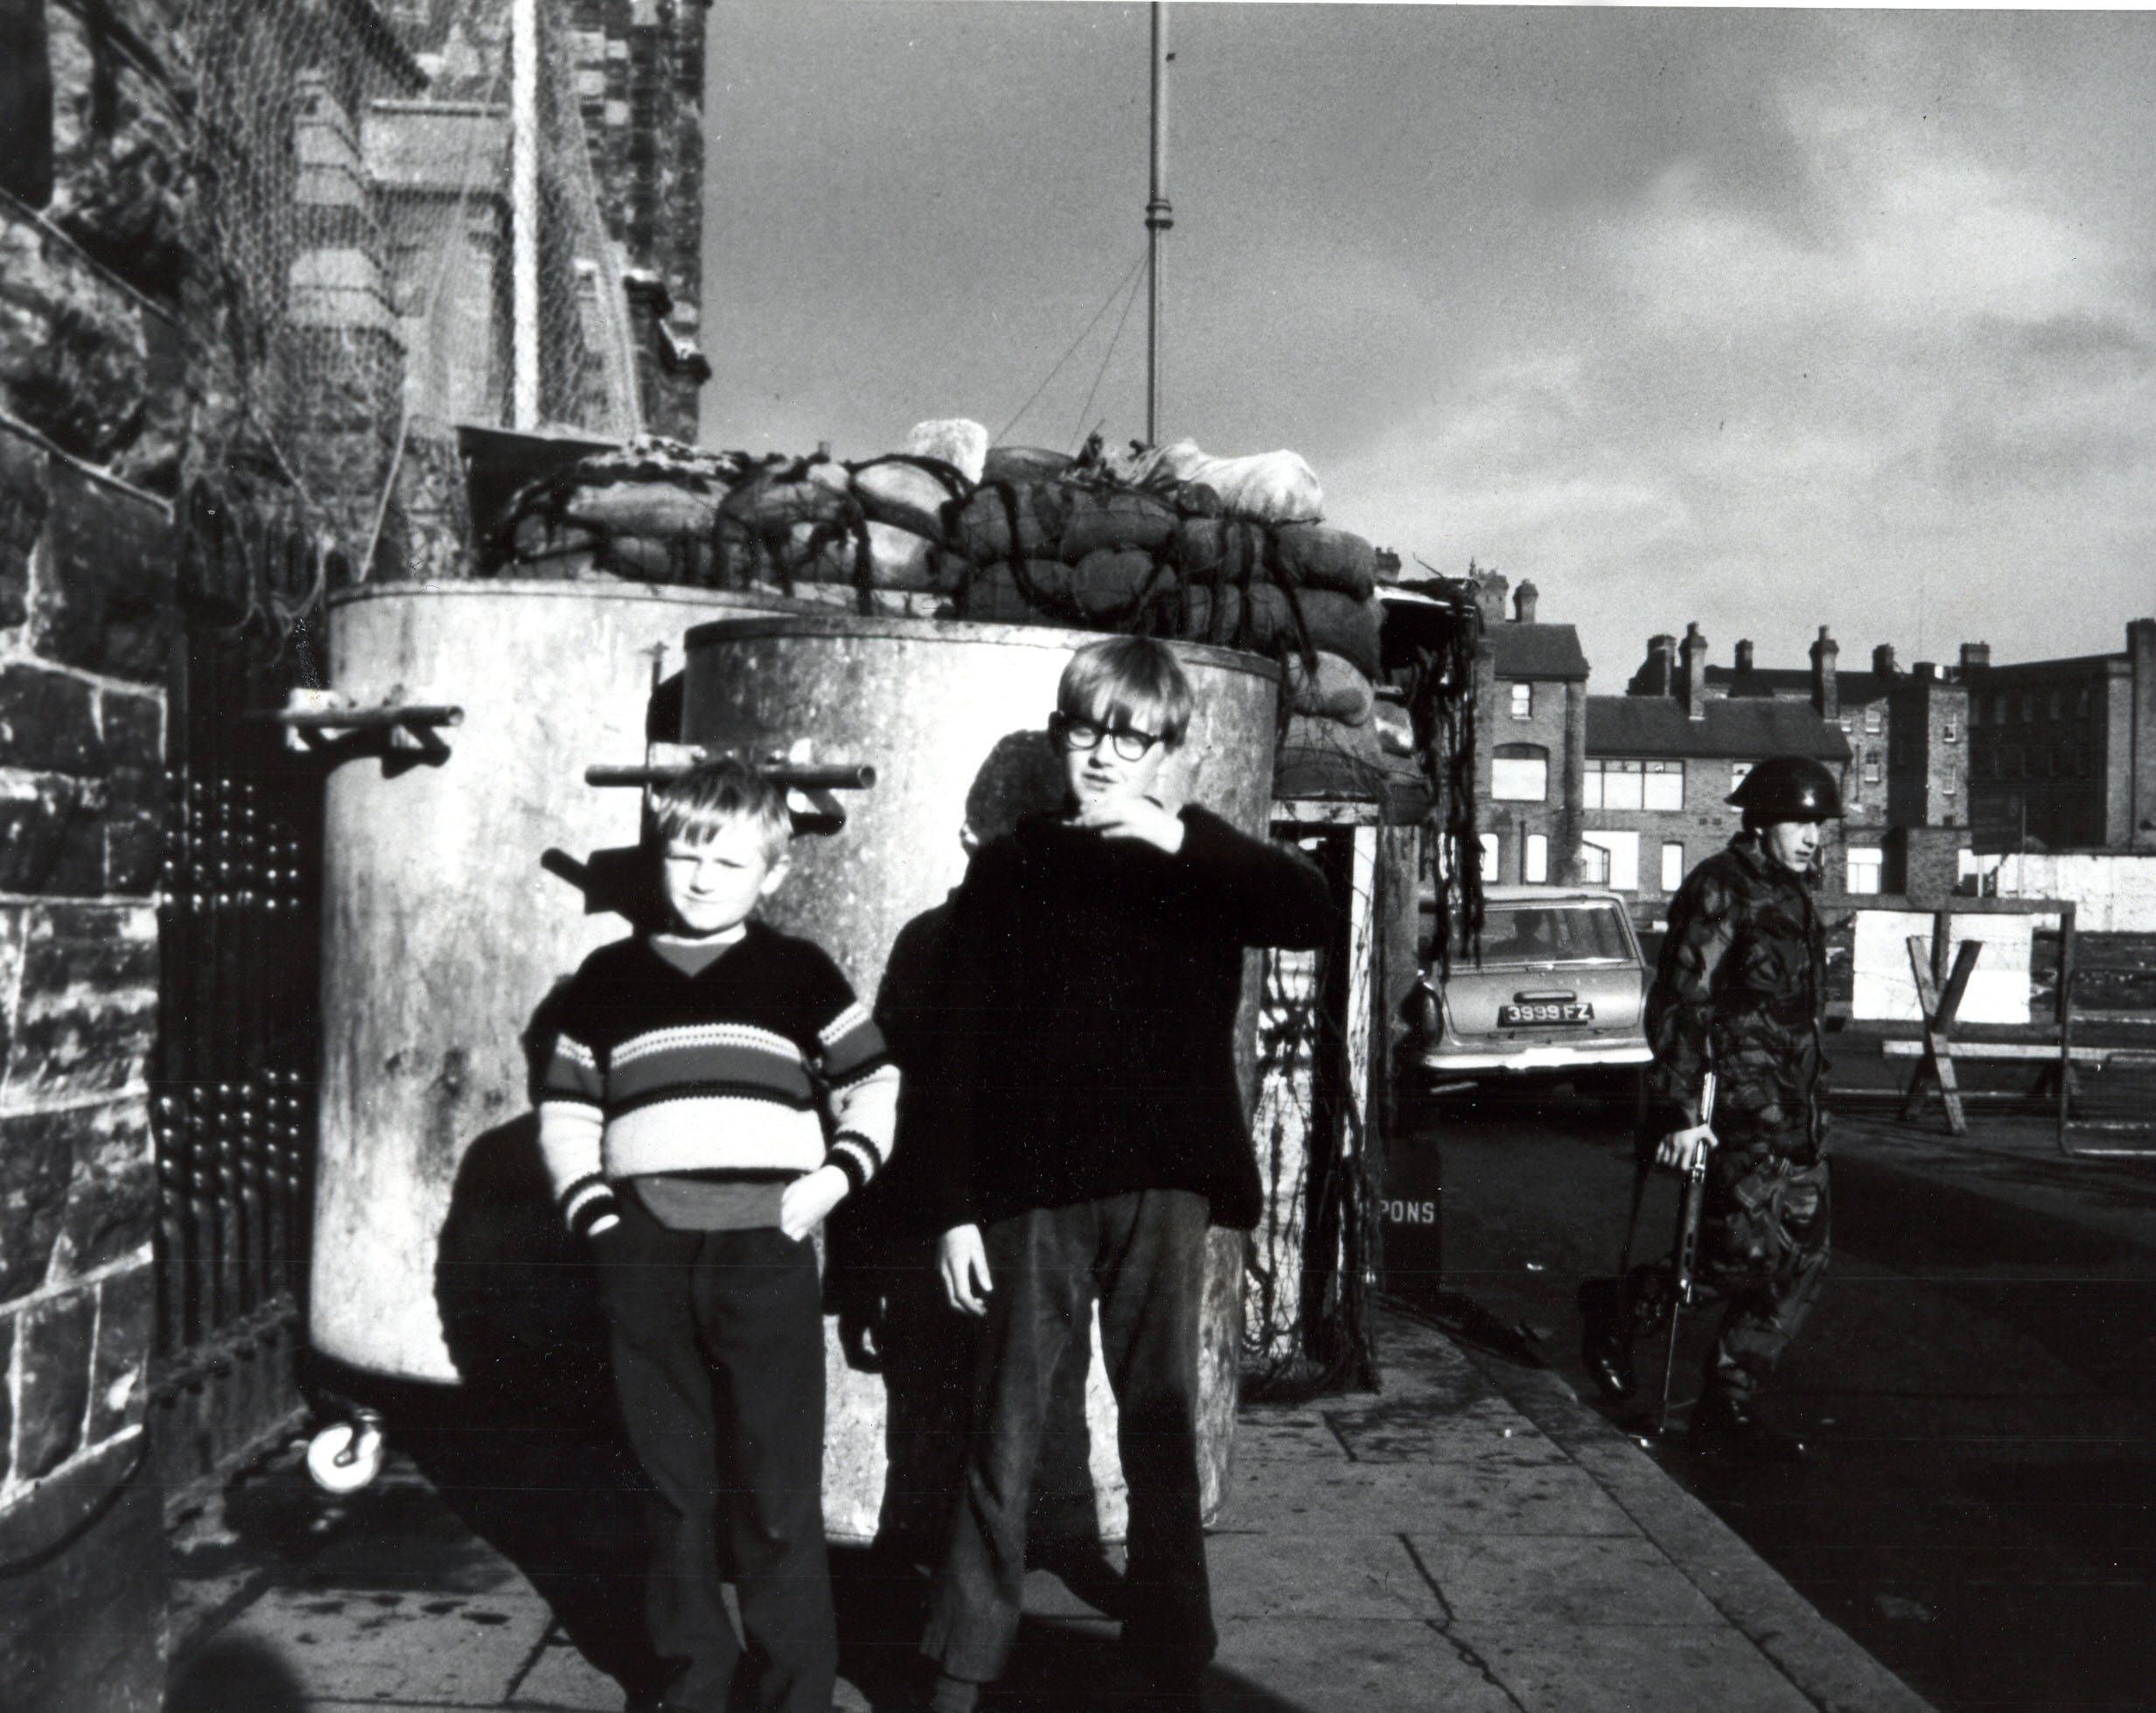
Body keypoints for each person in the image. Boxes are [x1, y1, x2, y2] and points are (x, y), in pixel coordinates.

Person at [914, 636, 1331, 1713]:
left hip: (1163, 1188)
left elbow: (1312, 909)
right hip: (1032, 1195)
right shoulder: (1011, 866)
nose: (1100, 753)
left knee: (1159, 1425)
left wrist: (1178, 833)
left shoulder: (1200, 867)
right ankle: (960, 1665)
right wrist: (954, 1210)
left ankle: (1172, 1648)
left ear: (1169, 747)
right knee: (1001, 1434)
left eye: (1129, 734)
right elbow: (954, 1046)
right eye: (1082, 728)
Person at [536, 757, 899, 1713]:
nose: (698, 876)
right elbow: (567, 1109)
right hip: (646, 1253)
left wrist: (828, 1180)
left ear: (771, 873)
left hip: (762, 1254)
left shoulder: (797, 972)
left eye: (727, 861)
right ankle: (690, 1678)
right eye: (682, 852)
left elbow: (875, 1081)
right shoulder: (606, 980)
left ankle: (793, 1691)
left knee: (778, 1496)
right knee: (671, 1486)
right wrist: (601, 1218)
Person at [1580, 753, 1839, 1463]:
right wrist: (1678, 1113)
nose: (1813, 835)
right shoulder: (1720, 888)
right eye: (1799, 821)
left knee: (1800, 1262)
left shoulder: (1793, 895)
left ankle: (1728, 1404)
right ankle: (1623, 1307)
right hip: (1735, 1113)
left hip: (1795, 1115)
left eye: (1819, 823)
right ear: (1760, 821)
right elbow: (1681, 1001)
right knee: (1740, 1253)